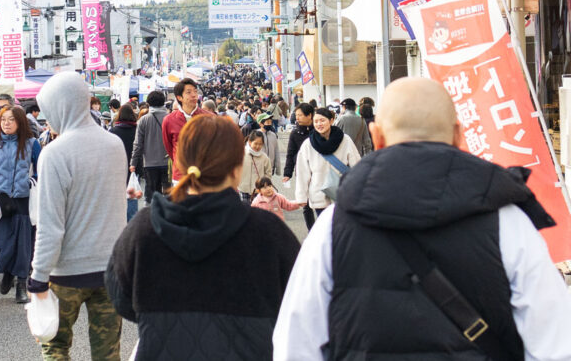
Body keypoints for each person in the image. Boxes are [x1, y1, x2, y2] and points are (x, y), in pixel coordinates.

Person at [273, 78, 571, 360]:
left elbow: (296, 344)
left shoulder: (333, 225)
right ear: (457, 134)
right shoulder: (508, 221)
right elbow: (556, 344)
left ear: (377, 136)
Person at [107, 115, 301, 360]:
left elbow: (120, 297)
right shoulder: (268, 231)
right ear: (237, 168)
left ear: (180, 162)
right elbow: (297, 302)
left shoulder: (143, 228)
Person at [29, 73, 127, 361]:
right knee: (108, 353)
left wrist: (38, 277)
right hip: (110, 269)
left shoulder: (54, 154)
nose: (47, 118)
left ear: (61, 106)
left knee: (55, 347)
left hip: (66, 274)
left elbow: (50, 226)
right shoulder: (115, 146)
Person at [0, 105, 41, 304]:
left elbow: (42, 168)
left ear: (20, 121)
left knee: (23, 245)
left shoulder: (31, 143)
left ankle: (21, 285)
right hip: (0, 199)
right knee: (2, 242)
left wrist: (32, 181)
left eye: (11, 119)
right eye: (3, 119)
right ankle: (7, 272)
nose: (6, 123)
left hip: (23, 199)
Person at [294, 107, 361, 230]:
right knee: (326, 229)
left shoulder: (345, 140)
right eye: (316, 121)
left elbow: (357, 166)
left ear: (331, 120)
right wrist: (301, 196)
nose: (319, 124)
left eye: (322, 120)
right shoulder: (308, 144)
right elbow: (302, 172)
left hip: (341, 194)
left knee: (341, 228)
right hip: (318, 194)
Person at [162, 78, 213, 182]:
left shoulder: (210, 117)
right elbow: (169, 147)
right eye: (189, 92)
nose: (194, 95)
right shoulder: (169, 120)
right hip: (180, 176)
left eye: (195, 91)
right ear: (179, 97)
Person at [129, 90, 169, 204]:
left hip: (150, 163)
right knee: (169, 195)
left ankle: (152, 214)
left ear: (148, 103)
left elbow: (138, 144)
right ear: (164, 102)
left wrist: (133, 162)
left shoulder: (143, 120)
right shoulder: (170, 118)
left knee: (151, 197)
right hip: (168, 162)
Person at [110, 104, 139, 222]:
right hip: (134, 166)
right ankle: (132, 221)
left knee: (119, 194)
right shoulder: (136, 130)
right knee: (132, 193)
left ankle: (119, 220)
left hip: (117, 166)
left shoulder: (113, 131)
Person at [239, 132, 274, 204]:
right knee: (244, 209)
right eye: (256, 143)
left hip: (258, 190)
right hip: (243, 189)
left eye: (260, 144)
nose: (258, 146)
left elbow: (268, 173)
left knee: (257, 209)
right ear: (249, 142)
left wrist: (263, 185)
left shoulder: (264, 157)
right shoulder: (241, 154)